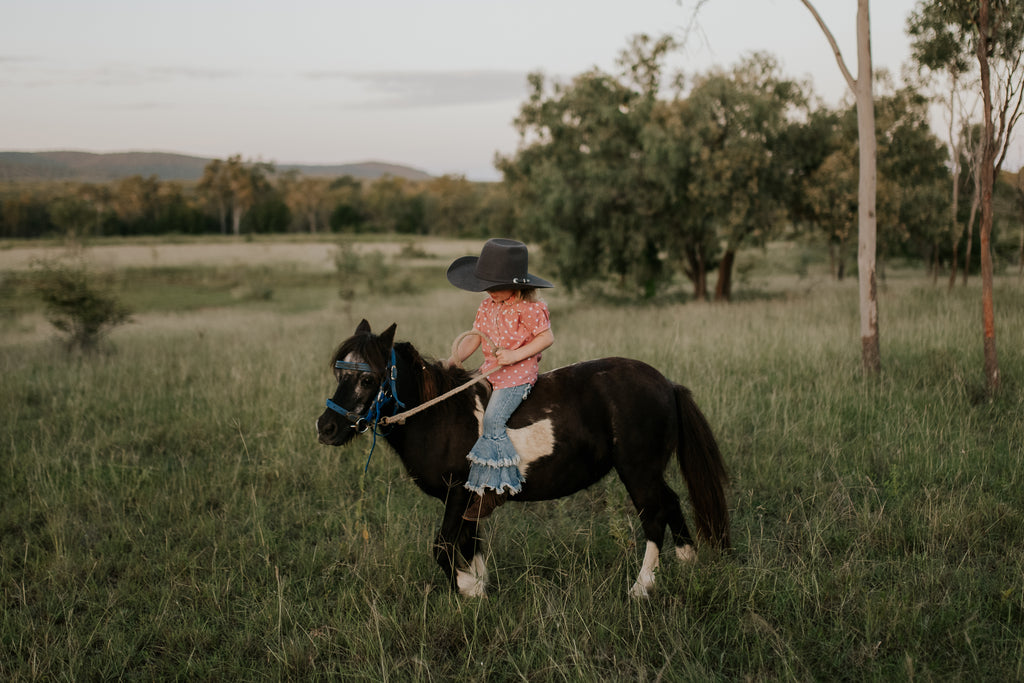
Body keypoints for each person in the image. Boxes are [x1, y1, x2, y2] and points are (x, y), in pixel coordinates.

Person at [445, 238, 554, 521]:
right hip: (491, 370)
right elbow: (475, 337)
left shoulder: (529, 309)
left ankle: (501, 487)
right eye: (486, 285)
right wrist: (452, 361)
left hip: (517, 375)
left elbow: (546, 338)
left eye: (495, 285)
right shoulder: (487, 306)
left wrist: (516, 355)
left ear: (517, 285)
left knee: (493, 420)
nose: (489, 291)